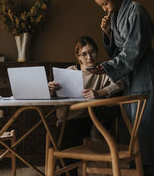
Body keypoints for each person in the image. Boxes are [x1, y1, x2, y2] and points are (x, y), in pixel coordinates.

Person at [90, 0, 154, 175]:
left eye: (105, 4)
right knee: (130, 129)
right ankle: (135, 170)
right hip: (128, 76)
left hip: (143, 75)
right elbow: (116, 51)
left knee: (144, 127)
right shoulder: (115, 16)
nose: (104, 9)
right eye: (101, 7)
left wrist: (107, 68)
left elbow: (132, 51)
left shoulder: (136, 11)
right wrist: (107, 33)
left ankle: (147, 171)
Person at [48, 36, 125, 175]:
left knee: (65, 137)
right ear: (78, 57)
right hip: (66, 120)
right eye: (84, 54)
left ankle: (69, 171)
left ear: (97, 52)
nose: (89, 57)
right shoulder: (70, 71)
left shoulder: (102, 71)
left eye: (92, 52)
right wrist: (51, 89)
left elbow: (120, 83)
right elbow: (53, 95)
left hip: (89, 119)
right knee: (60, 138)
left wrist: (99, 93)